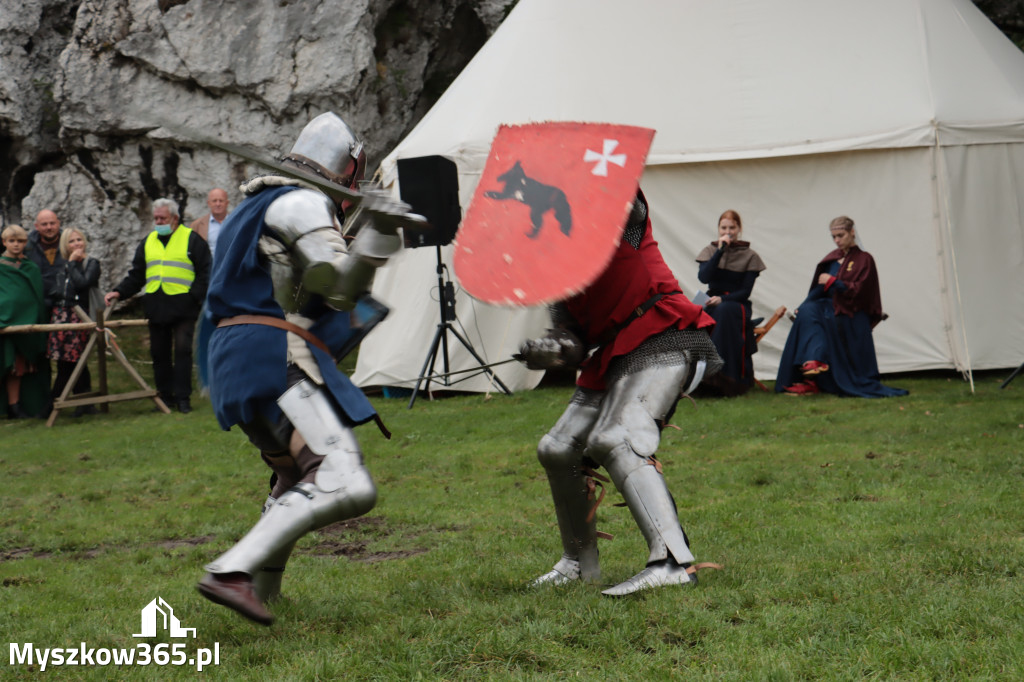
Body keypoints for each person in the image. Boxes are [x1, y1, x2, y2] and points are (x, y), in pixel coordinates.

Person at [196, 112, 411, 625]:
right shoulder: (302, 202)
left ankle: (264, 593)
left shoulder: (255, 207)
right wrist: (379, 232)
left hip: (236, 358)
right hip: (272, 356)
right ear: (350, 166)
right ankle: (232, 572)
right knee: (344, 479)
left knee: (292, 475)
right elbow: (338, 285)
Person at [518, 188, 723, 597]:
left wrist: (584, 187)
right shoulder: (556, 265)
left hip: (661, 333)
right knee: (557, 447)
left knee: (616, 436)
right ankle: (579, 563)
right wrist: (554, 349)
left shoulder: (615, 215)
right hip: (613, 356)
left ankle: (671, 562)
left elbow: (629, 207)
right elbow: (573, 338)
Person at [775, 216, 907, 398]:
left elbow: (861, 291)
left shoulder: (864, 259)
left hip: (850, 310)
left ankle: (815, 362)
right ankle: (813, 366)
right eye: (834, 237)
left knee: (816, 316)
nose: (837, 240)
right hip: (826, 306)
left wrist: (834, 282)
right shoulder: (832, 259)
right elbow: (819, 290)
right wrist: (802, 305)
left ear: (852, 233)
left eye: (841, 235)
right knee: (806, 312)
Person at [104, 199, 211, 413]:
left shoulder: (193, 240)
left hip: (183, 307)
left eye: (162, 218)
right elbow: (137, 275)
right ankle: (165, 398)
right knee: (159, 354)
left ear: (175, 219)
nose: (158, 222)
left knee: (182, 352)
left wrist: (194, 297)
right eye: (156, 218)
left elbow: (206, 272)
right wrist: (120, 291)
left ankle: (183, 399)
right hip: (157, 306)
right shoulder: (147, 242)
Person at [695, 210, 766, 396]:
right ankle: (699, 379)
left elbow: (745, 292)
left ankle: (724, 378)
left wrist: (723, 299)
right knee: (691, 316)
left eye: (732, 227)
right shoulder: (710, 250)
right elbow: (704, 278)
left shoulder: (750, 255)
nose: (728, 231)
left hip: (736, 304)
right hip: (712, 302)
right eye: (724, 227)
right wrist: (719, 251)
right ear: (718, 229)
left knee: (724, 311)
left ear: (739, 229)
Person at [47, 227, 101, 415]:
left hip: (80, 315)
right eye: (71, 241)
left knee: (74, 360)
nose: (76, 244)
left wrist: (72, 265)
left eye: (79, 239)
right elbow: (58, 290)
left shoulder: (92, 263)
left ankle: (52, 405)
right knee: (66, 362)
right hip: (62, 315)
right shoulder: (59, 265)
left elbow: (84, 283)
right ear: (65, 245)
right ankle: (84, 403)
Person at [0, 225, 49, 419]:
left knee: (21, 366)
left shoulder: (31, 267)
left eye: (20, 241)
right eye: (12, 241)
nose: (16, 245)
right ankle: (11, 406)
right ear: (4, 242)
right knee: (7, 363)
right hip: (5, 324)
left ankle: (19, 406)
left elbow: (35, 296)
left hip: (28, 325)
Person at [189, 188, 230, 259]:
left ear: (227, 203)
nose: (218, 204)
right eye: (214, 201)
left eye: (221, 201)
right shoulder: (196, 225)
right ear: (209, 203)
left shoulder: (237, 223)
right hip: (208, 267)